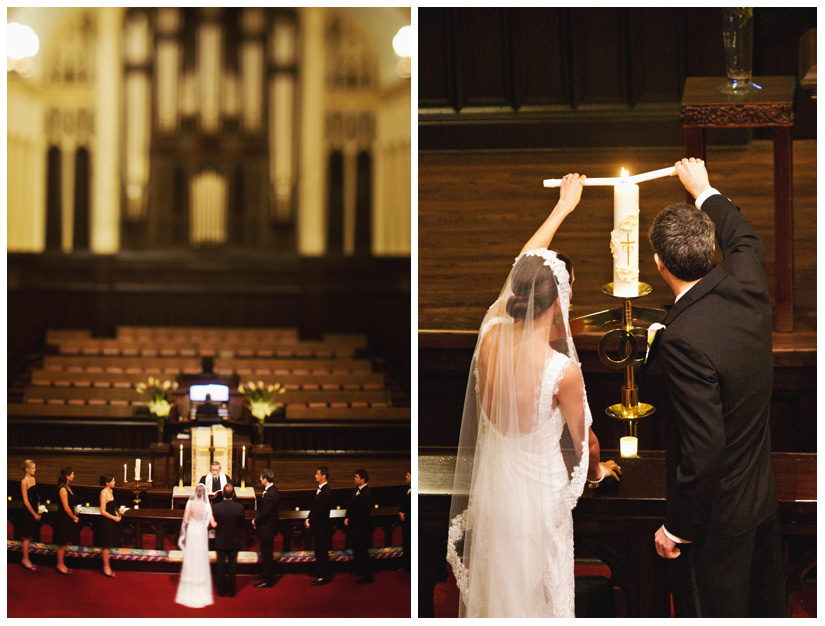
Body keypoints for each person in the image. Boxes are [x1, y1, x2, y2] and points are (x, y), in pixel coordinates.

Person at [447, 174, 620, 617]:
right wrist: (599, 473)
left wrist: (563, 208)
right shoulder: (562, 370)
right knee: (541, 597)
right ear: (558, 300)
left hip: (496, 498)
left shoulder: (489, 336)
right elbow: (587, 445)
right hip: (539, 505)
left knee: (500, 594)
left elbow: (522, 266)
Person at [642, 158, 785, 617]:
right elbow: (744, 235)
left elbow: (704, 446)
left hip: (715, 525)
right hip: (760, 501)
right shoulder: (746, 277)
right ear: (711, 248)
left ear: (659, 263)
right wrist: (704, 189)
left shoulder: (683, 340)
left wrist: (677, 529)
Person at [175, 483, 216, 608]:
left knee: (191, 556)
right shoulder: (207, 505)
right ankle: (200, 583)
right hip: (201, 533)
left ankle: (190, 582)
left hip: (192, 531)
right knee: (200, 557)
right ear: (204, 494)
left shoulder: (189, 504)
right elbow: (213, 523)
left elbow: (186, 521)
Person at [212, 484, 246, 597]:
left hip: (220, 540)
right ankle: (231, 591)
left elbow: (214, 525)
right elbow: (242, 525)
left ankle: (221, 591)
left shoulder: (216, 507)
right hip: (234, 540)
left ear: (222, 493)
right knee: (232, 566)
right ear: (233, 494)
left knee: (220, 565)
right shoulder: (239, 508)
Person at [344, 468, 374, 583]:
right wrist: (347, 516)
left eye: (356, 477)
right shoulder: (357, 490)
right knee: (356, 549)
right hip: (355, 526)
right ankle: (359, 569)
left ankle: (367, 576)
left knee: (362, 551)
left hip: (361, 527)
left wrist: (350, 519)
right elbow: (351, 506)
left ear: (363, 479)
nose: (354, 479)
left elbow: (360, 512)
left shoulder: (366, 494)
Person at [252, 468, 279, 588]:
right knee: (265, 553)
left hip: (267, 528)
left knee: (267, 555)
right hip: (268, 527)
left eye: (261, 477)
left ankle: (268, 580)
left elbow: (265, 513)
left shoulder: (270, 495)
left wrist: (255, 521)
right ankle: (265, 573)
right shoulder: (273, 490)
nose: (259, 479)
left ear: (265, 479)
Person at [306, 466, 333, 586]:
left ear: (324, 476)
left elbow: (321, 510)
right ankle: (319, 570)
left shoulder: (326, 492)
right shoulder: (321, 489)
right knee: (318, 550)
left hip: (322, 526)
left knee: (322, 551)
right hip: (317, 526)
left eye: (317, 474)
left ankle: (324, 575)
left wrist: (310, 520)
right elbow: (315, 507)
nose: (315, 476)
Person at [54, 467, 79, 575]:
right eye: (72, 474)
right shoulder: (63, 489)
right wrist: (74, 517)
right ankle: (60, 565)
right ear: (67, 476)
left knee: (64, 542)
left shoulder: (68, 487)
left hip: (67, 517)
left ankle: (62, 563)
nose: (73, 476)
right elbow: (66, 507)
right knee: (61, 542)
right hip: (63, 518)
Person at [19, 460, 41, 571]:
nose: (35, 470)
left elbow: (36, 495)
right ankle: (25, 559)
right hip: (28, 511)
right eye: (33, 468)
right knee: (26, 537)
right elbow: (26, 501)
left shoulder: (33, 479)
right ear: (27, 469)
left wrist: (39, 509)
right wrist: (34, 514)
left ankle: (28, 558)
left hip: (34, 509)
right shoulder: (24, 482)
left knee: (31, 535)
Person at [98, 474, 122, 577]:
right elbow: (102, 511)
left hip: (112, 520)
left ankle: (108, 566)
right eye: (112, 481)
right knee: (106, 546)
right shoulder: (103, 493)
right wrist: (114, 518)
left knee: (110, 544)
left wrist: (116, 513)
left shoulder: (111, 491)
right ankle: (106, 567)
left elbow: (111, 507)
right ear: (107, 483)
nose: (114, 483)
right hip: (106, 521)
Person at [399, 469, 411, 572]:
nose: (406, 477)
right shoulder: (407, 488)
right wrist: (400, 512)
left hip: (410, 521)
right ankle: (406, 565)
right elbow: (403, 503)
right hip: (405, 522)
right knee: (406, 544)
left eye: (408, 475)